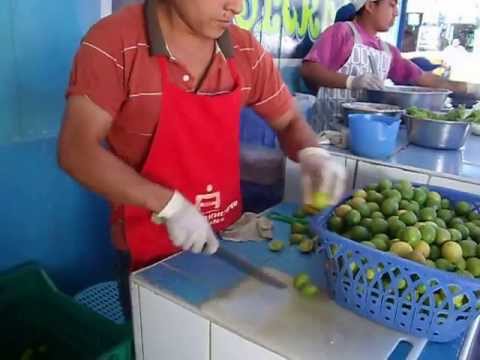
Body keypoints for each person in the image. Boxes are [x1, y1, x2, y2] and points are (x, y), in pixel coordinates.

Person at [58, 0, 346, 316]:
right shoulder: (115, 42)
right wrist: (171, 206)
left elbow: (289, 121)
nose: (235, 7)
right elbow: (76, 150)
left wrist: (312, 153)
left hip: (227, 238)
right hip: (147, 252)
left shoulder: (243, 49)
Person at [300, 0, 480, 131]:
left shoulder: (387, 51)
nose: (396, 12)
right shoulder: (342, 32)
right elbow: (308, 69)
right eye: (392, 5)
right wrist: (351, 81)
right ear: (370, 5)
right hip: (327, 132)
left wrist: (468, 88)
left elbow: (422, 78)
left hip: (367, 133)